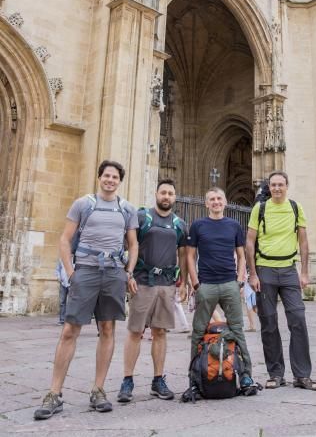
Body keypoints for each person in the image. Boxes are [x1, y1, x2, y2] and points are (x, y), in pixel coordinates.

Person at [34, 160, 139, 420]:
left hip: (113, 272)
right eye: (106, 175)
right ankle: (54, 393)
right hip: (86, 271)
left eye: (115, 177)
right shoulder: (83, 204)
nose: (110, 180)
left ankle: (98, 390)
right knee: (70, 329)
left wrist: (128, 272)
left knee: (107, 329)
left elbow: (133, 244)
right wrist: (70, 273)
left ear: (120, 181)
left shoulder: (127, 209)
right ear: (99, 177)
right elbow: (64, 239)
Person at [246, 170, 316, 391]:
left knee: (298, 319)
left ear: (287, 186)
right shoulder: (259, 209)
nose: (277, 188)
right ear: (269, 187)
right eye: (273, 185)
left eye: (281, 184)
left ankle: (302, 374)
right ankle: (276, 373)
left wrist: (305, 272)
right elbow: (249, 242)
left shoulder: (296, 208)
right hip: (265, 269)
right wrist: (252, 273)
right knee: (268, 323)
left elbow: (304, 242)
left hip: (289, 269)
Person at [117, 178, 188, 402]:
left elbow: (184, 255)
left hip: (166, 284)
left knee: (160, 332)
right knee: (136, 332)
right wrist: (127, 274)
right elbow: (128, 245)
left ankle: (158, 380)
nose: (166, 196)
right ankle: (127, 380)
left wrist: (183, 282)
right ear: (156, 194)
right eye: (163, 192)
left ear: (175, 197)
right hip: (142, 281)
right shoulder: (142, 218)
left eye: (170, 193)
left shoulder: (180, 224)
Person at [186, 187, 257, 395]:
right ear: (206, 203)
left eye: (219, 199)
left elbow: (241, 255)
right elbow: (190, 256)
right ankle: (195, 379)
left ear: (224, 202)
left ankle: (245, 376)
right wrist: (195, 283)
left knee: (238, 331)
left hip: (229, 285)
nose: (216, 202)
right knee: (198, 332)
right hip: (206, 285)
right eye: (212, 199)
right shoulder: (198, 225)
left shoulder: (234, 226)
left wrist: (238, 280)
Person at [55, 259, 70, 325]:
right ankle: (62, 320)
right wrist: (59, 277)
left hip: (72, 284)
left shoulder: (76, 259)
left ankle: (70, 321)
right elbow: (57, 269)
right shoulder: (61, 260)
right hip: (63, 283)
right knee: (62, 302)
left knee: (72, 303)